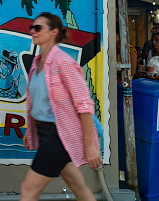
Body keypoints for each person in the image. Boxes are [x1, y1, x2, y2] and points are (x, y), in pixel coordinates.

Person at [20, 12, 101, 201]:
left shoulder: (64, 62)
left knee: (28, 189)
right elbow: (39, 103)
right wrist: (29, 130)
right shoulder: (37, 62)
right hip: (47, 132)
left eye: (38, 28)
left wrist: (90, 147)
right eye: (32, 27)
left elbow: (84, 105)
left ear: (53, 32)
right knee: (77, 185)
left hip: (60, 136)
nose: (33, 31)